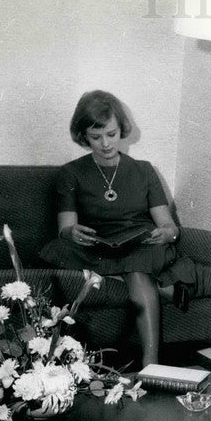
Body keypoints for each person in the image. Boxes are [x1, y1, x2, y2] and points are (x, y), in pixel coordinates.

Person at [40, 90, 179, 367]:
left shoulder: (144, 170)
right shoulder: (70, 173)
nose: (105, 144)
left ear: (121, 131)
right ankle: (163, 286)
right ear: (83, 136)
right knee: (60, 250)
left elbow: (168, 226)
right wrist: (72, 232)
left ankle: (151, 365)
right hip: (96, 247)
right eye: (96, 137)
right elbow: (65, 228)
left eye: (112, 134)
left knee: (137, 266)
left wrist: (166, 233)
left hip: (139, 246)